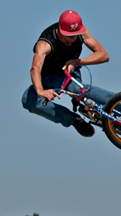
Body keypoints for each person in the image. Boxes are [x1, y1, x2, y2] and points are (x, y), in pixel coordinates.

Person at [22, 10, 112, 138]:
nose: (74, 39)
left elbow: (104, 55)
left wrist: (77, 62)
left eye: (77, 35)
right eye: (70, 37)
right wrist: (40, 90)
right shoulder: (45, 44)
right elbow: (35, 68)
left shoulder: (81, 33)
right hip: (47, 79)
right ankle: (74, 120)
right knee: (27, 100)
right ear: (61, 31)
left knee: (78, 89)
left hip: (67, 74)